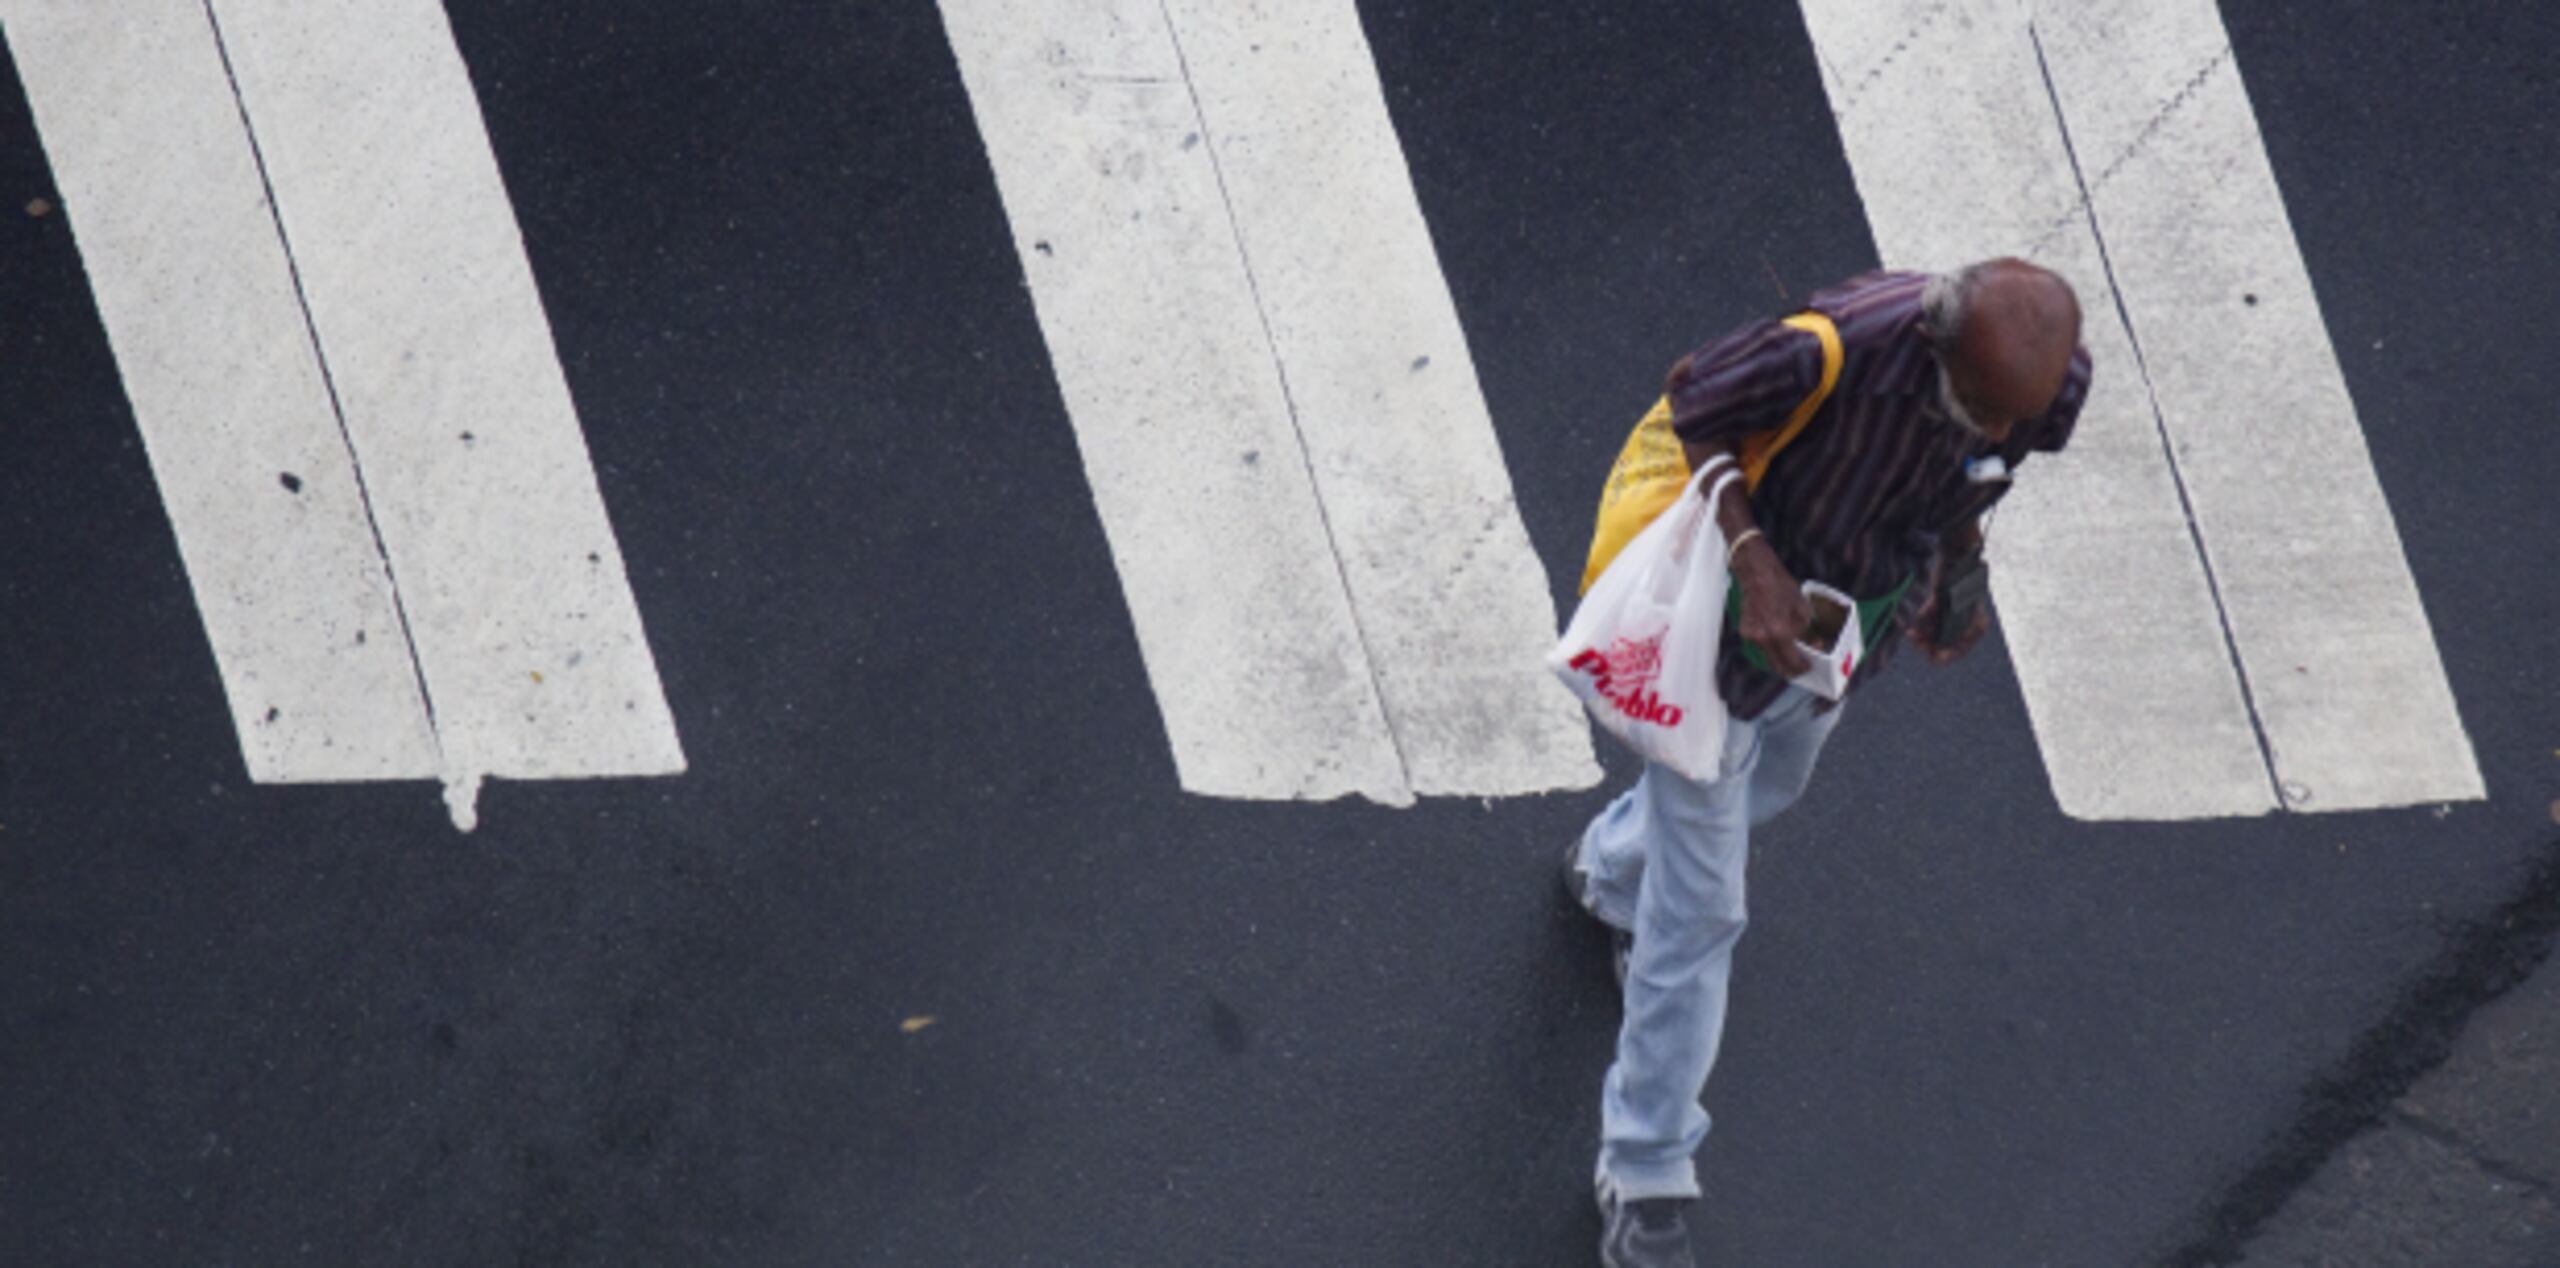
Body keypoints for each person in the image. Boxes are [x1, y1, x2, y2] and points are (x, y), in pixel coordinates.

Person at [1563, 259, 2091, 1267]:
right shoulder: (1830, 348)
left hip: (1838, 638)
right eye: (1975, 407)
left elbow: (1985, 471)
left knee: (1777, 782)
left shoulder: (2033, 390)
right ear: (1937, 346)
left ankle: (1610, 869)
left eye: (2007, 418)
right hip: (1724, 636)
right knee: (1702, 913)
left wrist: (1961, 573)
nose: (1990, 430)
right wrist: (1754, 558)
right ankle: (1644, 1169)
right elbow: (1693, 397)